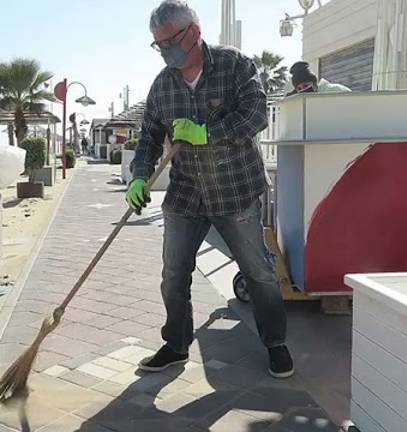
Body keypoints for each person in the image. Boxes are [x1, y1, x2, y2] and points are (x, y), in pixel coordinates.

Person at [126, 0, 293, 379]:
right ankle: (175, 344)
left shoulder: (235, 65)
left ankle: (275, 343)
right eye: (158, 43)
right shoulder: (163, 84)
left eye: (169, 40)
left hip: (234, 188)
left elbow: (254, 113)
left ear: (195, 33)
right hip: (186, 192)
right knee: (174, 272)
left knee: (258, 271)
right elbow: (150, 136)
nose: (164, 49)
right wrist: (139, 175)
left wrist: (206, 134)